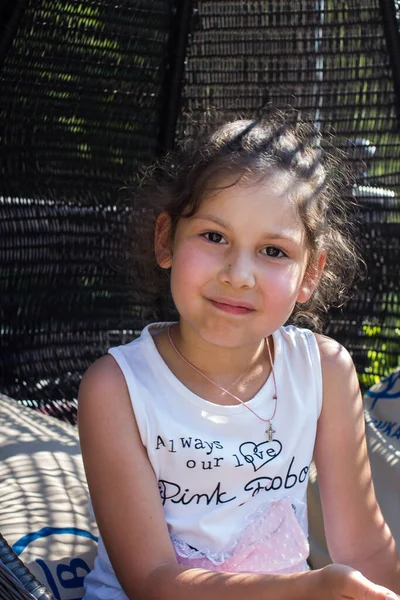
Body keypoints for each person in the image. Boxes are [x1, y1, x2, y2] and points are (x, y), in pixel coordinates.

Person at [78, 116, 400, 600]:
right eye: (214, 237)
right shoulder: (117, 388)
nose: (239, 274)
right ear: (166, 239)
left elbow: (365, 548)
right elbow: (152, 582)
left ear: (310, 274)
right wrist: (303, 590)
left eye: (273, 250)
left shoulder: (324, 372)